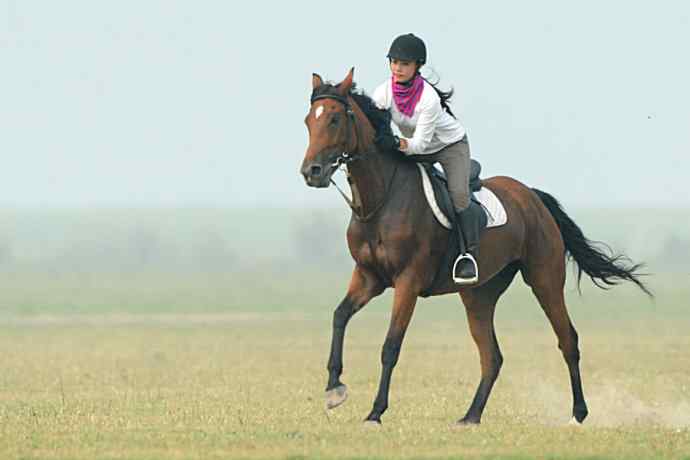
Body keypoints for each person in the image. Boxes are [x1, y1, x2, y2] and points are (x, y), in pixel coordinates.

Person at [371, 33, 482, 285]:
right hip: (415, 147)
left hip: (449, 147)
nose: (397, 68)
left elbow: (419, 144)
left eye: (405, 64)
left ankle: (468, 256)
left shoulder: (428, 99)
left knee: (459, 196)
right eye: (394, 62)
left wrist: (396, 142)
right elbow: (375, 122)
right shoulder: (384, 91)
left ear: (417, 66)